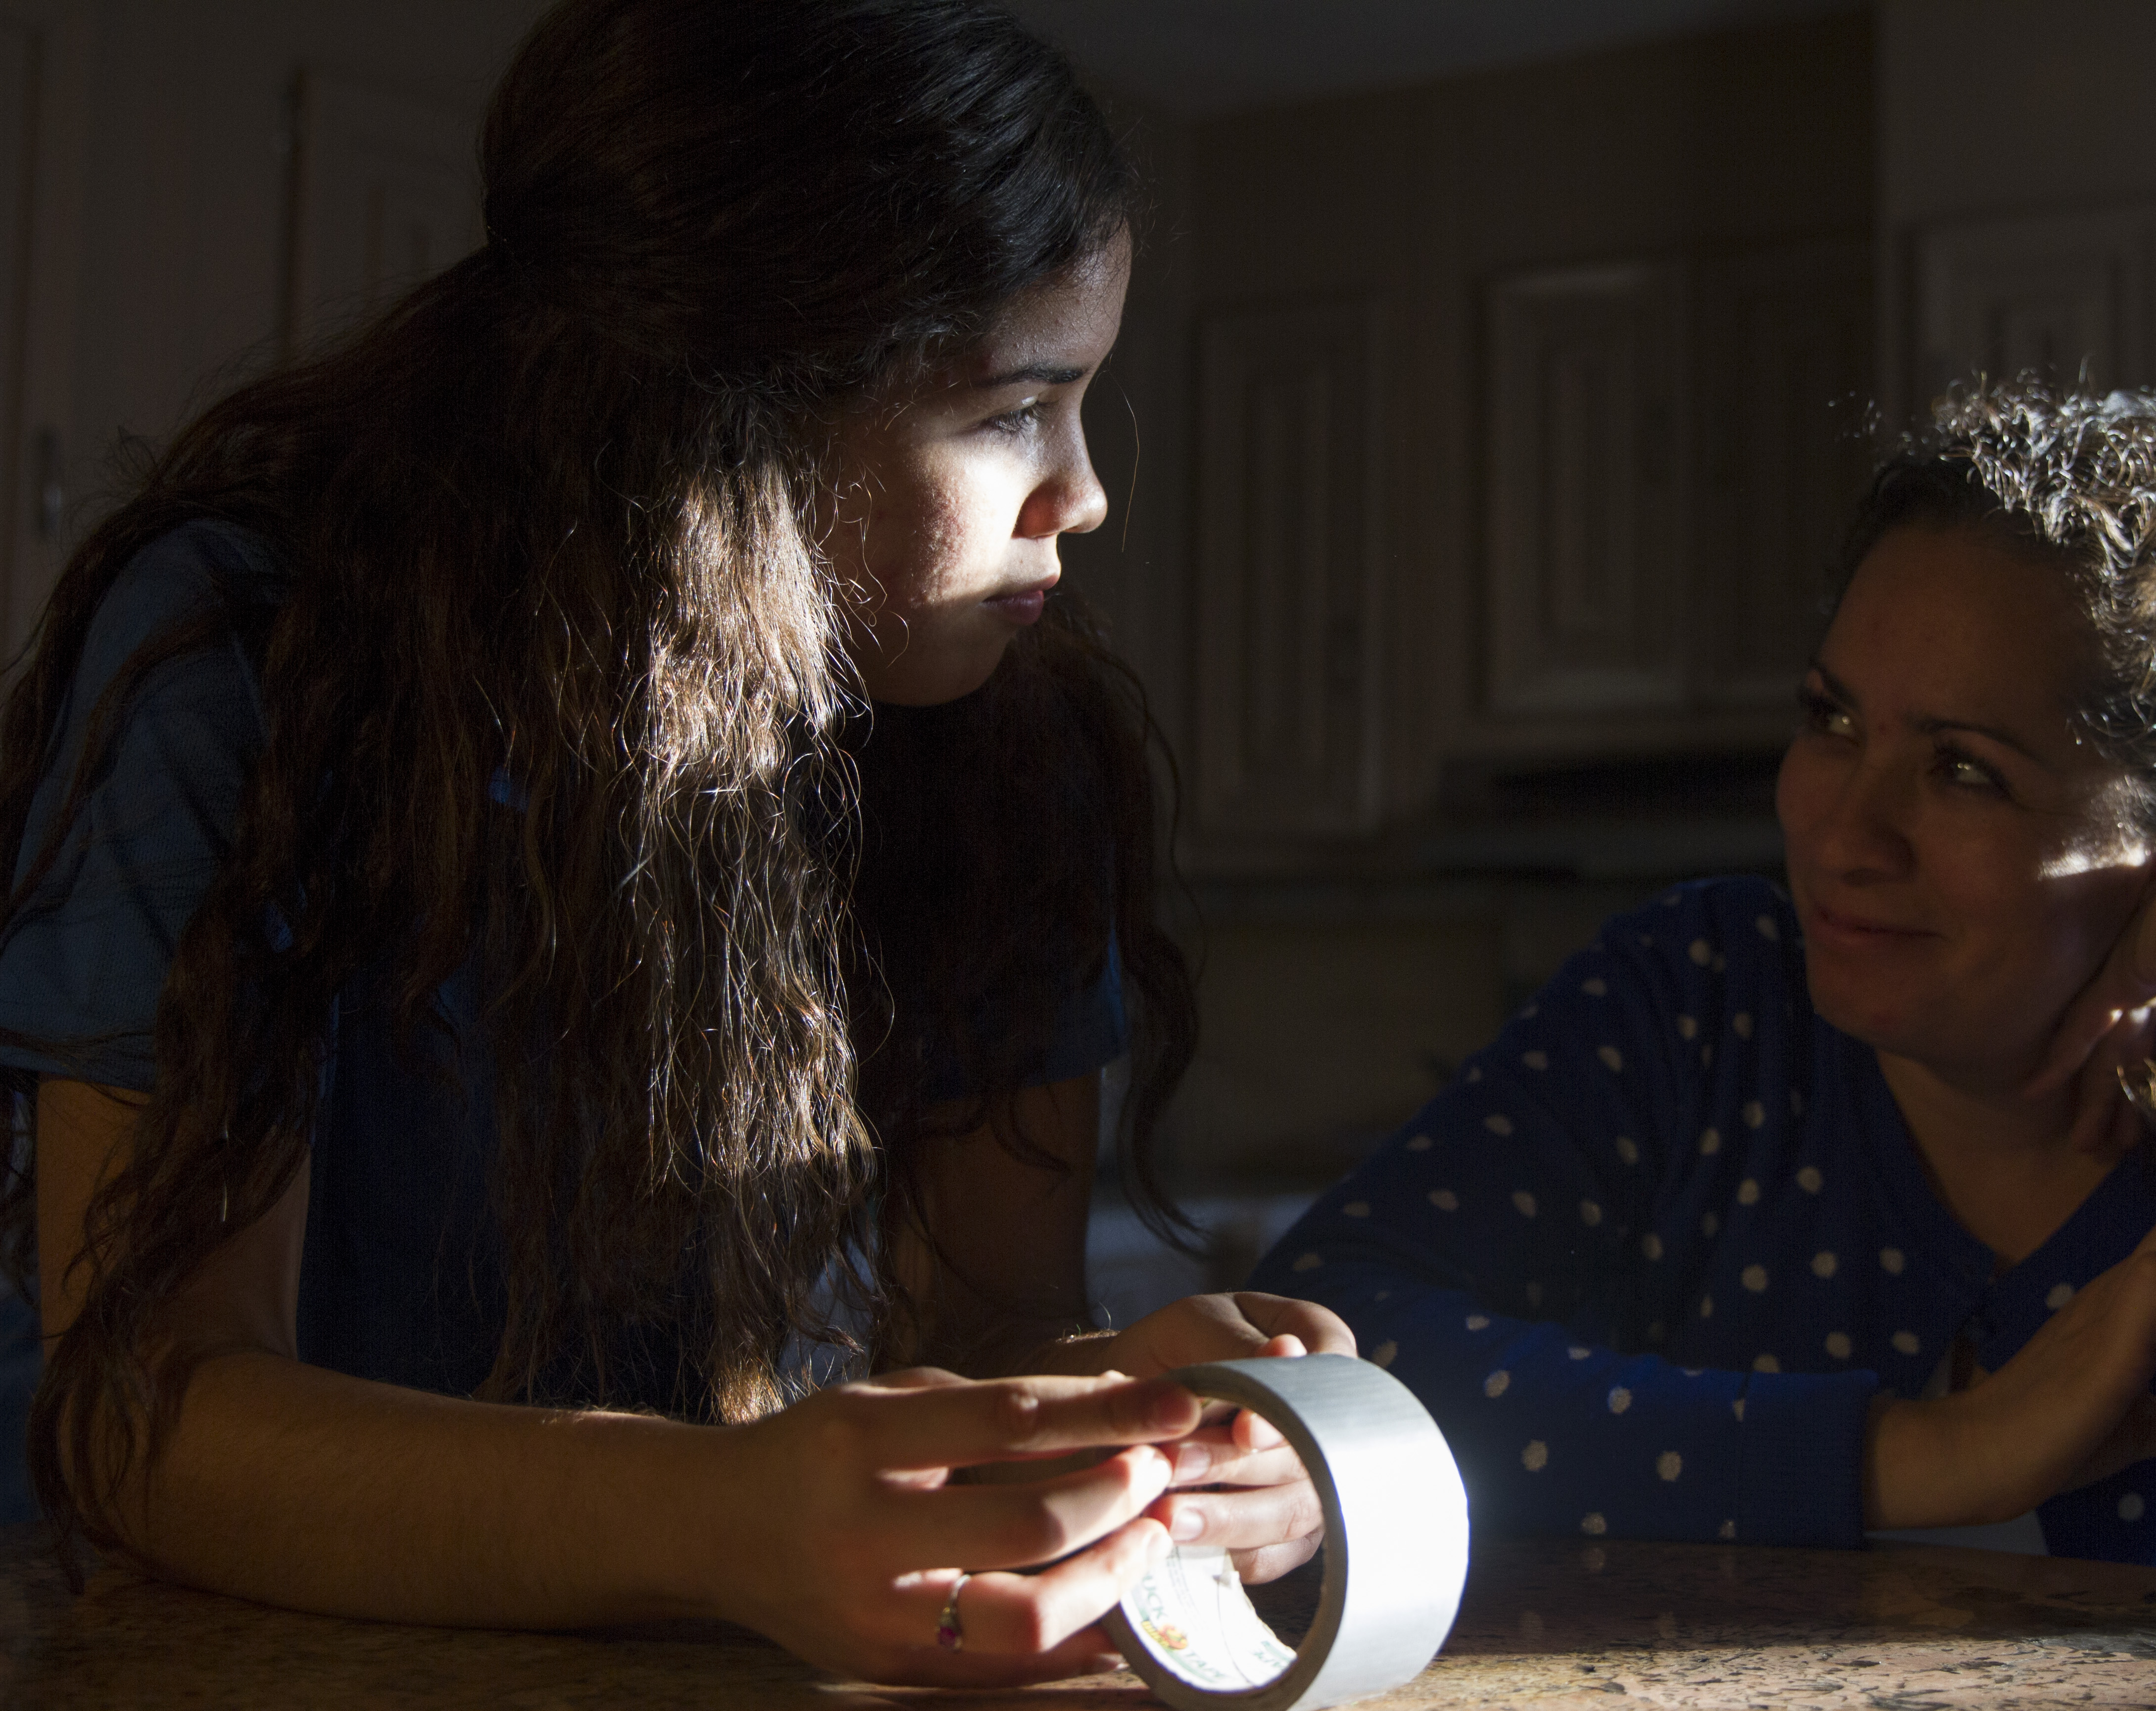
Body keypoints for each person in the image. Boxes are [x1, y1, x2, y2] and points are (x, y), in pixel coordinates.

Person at [0, 0, 1347, 1683]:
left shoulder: (1005, 748)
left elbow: (988, 1328)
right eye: (1019, 408)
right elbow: (152, 1412)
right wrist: (725, 1518)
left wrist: (1148, 1429)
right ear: (730, 421)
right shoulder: (251, 666)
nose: (1081, 494)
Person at [1250, 382, 2156, 1596]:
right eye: (1833, 720)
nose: (1843, 830)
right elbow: (1318, 1357)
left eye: (1965, 770)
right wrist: (1930, 1452)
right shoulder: (1705, 999)